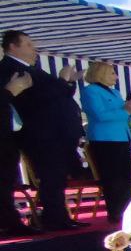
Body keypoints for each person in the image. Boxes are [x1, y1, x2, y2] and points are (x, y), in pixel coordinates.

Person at [2, 31, 86, 229]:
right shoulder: (9, 68)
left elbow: (60, 93)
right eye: (29, 45)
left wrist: (68, 82)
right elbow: (38, 97)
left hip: (55, 133)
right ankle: (53, 219)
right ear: (13, 46)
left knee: (57, 177)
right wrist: (62, 82)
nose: (34, 49)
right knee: (50, 176)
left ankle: (59, 217)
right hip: (40, 134)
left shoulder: (33, 69)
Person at [80, 61, 131, 223]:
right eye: (112, 73)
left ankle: (127, 211)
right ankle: (116, 213)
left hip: (122, 137)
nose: (116, 77)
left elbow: (124, 115)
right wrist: (126, 110)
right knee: (112, 179)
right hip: (104, 139)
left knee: (125, 177)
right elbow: (100, 115)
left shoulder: (115, 92)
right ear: (101, 73)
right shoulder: (90, 91)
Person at [0, 65, 34, 236]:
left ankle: (10, 222)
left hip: (7, 140)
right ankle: (9, 223)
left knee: (6, 184)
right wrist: (8, 92)